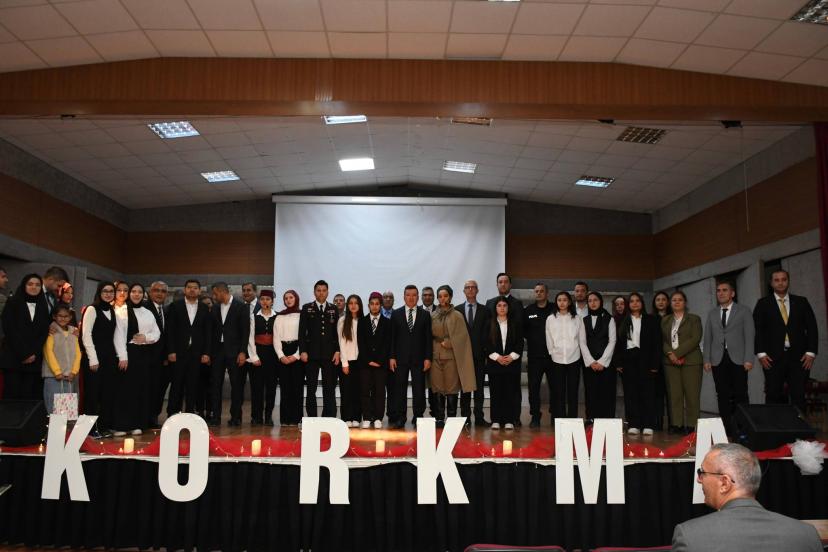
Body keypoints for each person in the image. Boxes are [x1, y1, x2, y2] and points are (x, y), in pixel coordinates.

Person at [672, 443, 822, 552]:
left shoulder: (690, 536)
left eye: (702, 473)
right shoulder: (806, 535)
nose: (699, 480)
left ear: (724, 483)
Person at [753, 269, 818, 412]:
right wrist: (761, 353)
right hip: (772, 358)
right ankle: (774, 426)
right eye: (776, 280)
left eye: (784, 279)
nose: (780, 283)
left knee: (799, 395)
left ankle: (799, 426)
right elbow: (757, 330)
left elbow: (812, 327)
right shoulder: (763, 304)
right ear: (771, 283)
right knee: (773, 395)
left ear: (788, 281)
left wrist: (811, 352)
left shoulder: (801, 302)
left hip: (799, 358)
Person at [703, 281, 755, 434]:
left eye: (725, 290)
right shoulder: (712, 313)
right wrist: (707, 359)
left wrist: (749, 358)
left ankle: (743, 428)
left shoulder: (744, 311)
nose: (721, 293)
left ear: (732, 293)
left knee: (740, 393)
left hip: (739, 359)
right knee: (722, 394)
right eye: (718, 290)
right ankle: (726, 429)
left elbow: (749, 336)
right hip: (718, 359)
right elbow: (708, 338)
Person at [113, 283, 160, 436]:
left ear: (143, 294)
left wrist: (146, 337)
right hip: (127, 354)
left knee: (141, 389)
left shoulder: (148, 313)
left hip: (144, 354)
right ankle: (123, 425)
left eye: (140, 292)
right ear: (129, 293)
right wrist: (122, 356)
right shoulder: (121, 311)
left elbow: (157, 333)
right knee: (125, 390)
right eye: (133, 291)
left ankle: (138, 424)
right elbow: (118, 335)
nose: (136, 294)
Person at [430, 285, 475, 427]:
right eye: (440, 296)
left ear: (450, 297)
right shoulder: (432, 315)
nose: (442, 298)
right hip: (435, 356)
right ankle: (439, 418)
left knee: (451, 388)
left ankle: (451, 418)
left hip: (452, 357)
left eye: (445, 296)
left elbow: (463, 337)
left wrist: (451, 342)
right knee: (437, 387)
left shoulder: (457, 315)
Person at [165, 279, 211, 417]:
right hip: (178, 353)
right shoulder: (175, 306)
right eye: (189, 287)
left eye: (195, 288)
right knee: (177, 384)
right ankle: (172, 414)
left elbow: (207, 332)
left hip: (196, 353)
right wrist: (171, 350)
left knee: (193, 385)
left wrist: (206, 353)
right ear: (185, 290)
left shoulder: (204, 308)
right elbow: (170, 330)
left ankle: (190, 414)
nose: (192, 290)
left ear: (199, 291)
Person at [617, 293, 661, 435]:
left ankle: (648, 424)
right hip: (628, 360)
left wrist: (655, 364)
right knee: (630, 393)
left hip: (646, 359)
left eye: (637, 301)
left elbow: (657, 343)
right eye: (632, 301)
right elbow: (618, 343)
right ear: (628, 304)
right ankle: (633, 424)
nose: (635, 303)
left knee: (647, 393)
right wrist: (618, 363)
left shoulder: (651, 320)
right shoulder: (623, 320)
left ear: (642, 303)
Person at [388, 285, 432, 429]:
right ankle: (401, 417)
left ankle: (418, 416)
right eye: (408, 295)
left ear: (418, 297)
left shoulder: (425, 315)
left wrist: (428, 358)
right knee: (400, 389)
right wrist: (392, 357)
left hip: (419, 359)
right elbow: (392, 337)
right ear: (404, 297)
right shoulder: (396, 314)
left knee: (419, 389)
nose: (411, 298)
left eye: (414, 295)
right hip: (400, 359)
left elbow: (428, 338)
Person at [1, 274, 50, 400]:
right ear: (24, 285)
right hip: (14, 359)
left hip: (34, 361)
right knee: (12, 398)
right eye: (30, 284)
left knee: (29, 399)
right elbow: (9, 330)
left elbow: (44, 332)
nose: (34, 287)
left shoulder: (43, 305)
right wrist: (24, 354)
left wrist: (33, 353)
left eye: (37, 285)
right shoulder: (13, 302)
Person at [662, 291, 703, 434]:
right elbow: (662, 340)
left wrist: (677, 353)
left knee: (692, 395)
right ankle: (676, 424)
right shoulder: (665, 320)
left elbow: (695, 338)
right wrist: (670, 354)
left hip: (691, 361)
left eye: (680, 300)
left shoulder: (694, 319)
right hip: (670, 362)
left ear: (685, 302)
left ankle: (692, 425)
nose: (677, 302)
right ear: (670, 303)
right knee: (675, 395)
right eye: (674, 300)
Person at [209, 282, 250, 426]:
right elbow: (211, 331)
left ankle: (236, 417)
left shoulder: (241, 306)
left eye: (215, 293)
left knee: (236, 385)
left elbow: (245, 331)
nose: (214, 297)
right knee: (215, 385)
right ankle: (215, 417)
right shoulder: (215, 308)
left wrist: (243, 352)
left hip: (235, 352)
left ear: (222, 292)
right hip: (217, 352)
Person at [486, 273, 524, 424]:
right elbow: (486, 339)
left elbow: (520, 336)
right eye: (500, 282)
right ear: (497, 284)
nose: (503, 284)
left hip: (511, 359)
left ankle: (513, 419)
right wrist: (496, 357)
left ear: (510, 284)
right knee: (496, 391)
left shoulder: (517, 304)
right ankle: (496, 419)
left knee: (512, 391)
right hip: (495, 360)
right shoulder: (489, 303)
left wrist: (512, 356)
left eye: (505, 282)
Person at [299, 280, 340, 418]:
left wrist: (337, 350)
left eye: (324, 290)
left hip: (329, 355)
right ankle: (312, 418)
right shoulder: (307, 308)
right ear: (314, 292)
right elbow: (302, 332)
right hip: (311, 354)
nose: (321, 293)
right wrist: (303, 351)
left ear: (328, 292)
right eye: (318, 290)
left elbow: (337, 333)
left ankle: (329, 417)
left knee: (329, 388)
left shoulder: (333, 309)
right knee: (311, 388)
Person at [81, 281, 117, 438]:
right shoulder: (91, 309)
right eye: (105, 291)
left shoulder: (112, 310)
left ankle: (103, 427)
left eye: (111, 291)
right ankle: (89, 429)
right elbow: (86, 335)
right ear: (99, 293)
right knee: (92, 395)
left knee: (107, 394)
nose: (108, 294)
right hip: (94, 359)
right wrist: (93, 358)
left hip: (109, 358)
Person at [457, 279, 491, 426]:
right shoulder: (457, 310)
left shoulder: (486, 310)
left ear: (477, 290)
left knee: (479, 389)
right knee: (465, 389)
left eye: (473, 287)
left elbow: (488, 333)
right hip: (463, 357)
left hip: (479, 356)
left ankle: (479, 417)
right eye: (467, 287)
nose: (470, 289)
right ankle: (465, 418)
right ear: (464, 291)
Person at [578, 291, 616, 423]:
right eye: (590, 301)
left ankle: (607, 421)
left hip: (606, 363)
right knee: (591, 392)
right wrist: (591, 361)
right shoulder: (584, 320)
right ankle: (591, 419)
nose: (593, 303)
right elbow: (582, 342)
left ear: (601, 302)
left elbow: (612, 341)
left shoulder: (609, 319)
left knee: (607, 392)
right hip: (590, 364)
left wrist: (602, 362)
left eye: (595, 300)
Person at [546, 291, 582, 419]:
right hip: (557, 359)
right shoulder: (551, 319)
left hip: (574, 358)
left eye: (565, 300)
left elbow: (581, 338)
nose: (562, 303)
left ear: (569, 302)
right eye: (559, 300)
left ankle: (572, 419)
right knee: (559, 392)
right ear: (556, 302)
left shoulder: (577, 318)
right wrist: (552, 352)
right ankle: (560, 420)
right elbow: (549, 337)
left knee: (573, 391)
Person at [358, 292, 391, 429]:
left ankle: (378, 417)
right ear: (368, 305)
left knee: (379, 392)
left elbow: (387, 344)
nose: (374, 306)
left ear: (381, 305)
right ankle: (366, 417)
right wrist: (368, 360)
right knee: (365, 390)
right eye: (372, 304)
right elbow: (361, 343)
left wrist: (380, 361)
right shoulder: (362, 321)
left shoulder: (387, 322)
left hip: (381, 364)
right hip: (365, 364)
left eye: (377, 304)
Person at [524, 282, 555, 427]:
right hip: (534, 357)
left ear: (547, 293)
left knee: (555, 388)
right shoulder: (528, 310)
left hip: (553, 357)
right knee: (533, 388)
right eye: (536, 291)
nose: (539, 293)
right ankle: (535, 416)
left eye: (541, 291)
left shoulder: (554, 309)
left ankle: (555, 414)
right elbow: (523, 331)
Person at [247, 289, 278, 426]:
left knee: (271, 387)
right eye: (263, 299)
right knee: (256, 388)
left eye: (268, 299)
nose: (265, 301)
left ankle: (268, 416)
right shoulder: (253, 316)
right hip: (258, 353)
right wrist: (254, 356)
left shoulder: (277, 317)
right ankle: (256, 416)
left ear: (272, 301)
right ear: (259, 301)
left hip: (273, 355)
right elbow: (250, 337)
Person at [42, 304, 81, 414]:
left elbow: (78, 353)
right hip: (54, 376)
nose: (63, 318)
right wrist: (57, 371)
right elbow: (48, 351)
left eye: (66, 316)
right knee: (54, 408)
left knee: (69, 409)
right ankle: (54, 426)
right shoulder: (51, 331)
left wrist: (74, 371)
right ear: (54, 316)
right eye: (60, 316)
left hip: (70, 376)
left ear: (70, 317)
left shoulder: (73, 332)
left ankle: (68, 426)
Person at [275, 290, 303, 426]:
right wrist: (281, 355)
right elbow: (276, 337)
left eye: (291, 297)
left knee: (297, 387)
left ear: (296, 298)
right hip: (283, 351)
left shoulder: (302, 315)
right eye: (286, 298)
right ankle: (285, 419)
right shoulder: (280, 316)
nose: (288, 300)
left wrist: (296, 355)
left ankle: (296, 419)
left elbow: (305, 336)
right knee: (285, 387)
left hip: (297, 351)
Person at [145, 280, 169, 428]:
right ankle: (144, 418)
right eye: (156, 290)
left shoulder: (166, 310)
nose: (160, 294)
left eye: (163, 291)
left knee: (159, 390)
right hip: (147, 358)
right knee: (147, 389)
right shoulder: (143, 308)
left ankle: (153, 417)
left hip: (163, 360)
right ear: (150, 292)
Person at [337, 294, 363, 427]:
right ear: (347, 305)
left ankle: (357, 417)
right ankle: (346, 417)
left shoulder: (363, 320)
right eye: (350, 303)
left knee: (358, 391)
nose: (353, 305)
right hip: (347, 361)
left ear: (360, 305)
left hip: (360, 362)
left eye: (356, 303)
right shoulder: (342, 321)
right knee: (346, 391)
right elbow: (341, 343)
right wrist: (344, 362)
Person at [652, 290, 672, 430]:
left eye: (663, 299)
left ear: (668, 302)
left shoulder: (673, 317)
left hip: (672, 359)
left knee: (672, 393)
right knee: (657, 394)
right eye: (658, 299)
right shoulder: (650, 318)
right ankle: (657, 422)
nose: (661, 302)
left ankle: (673, 423)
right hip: (656, 361)